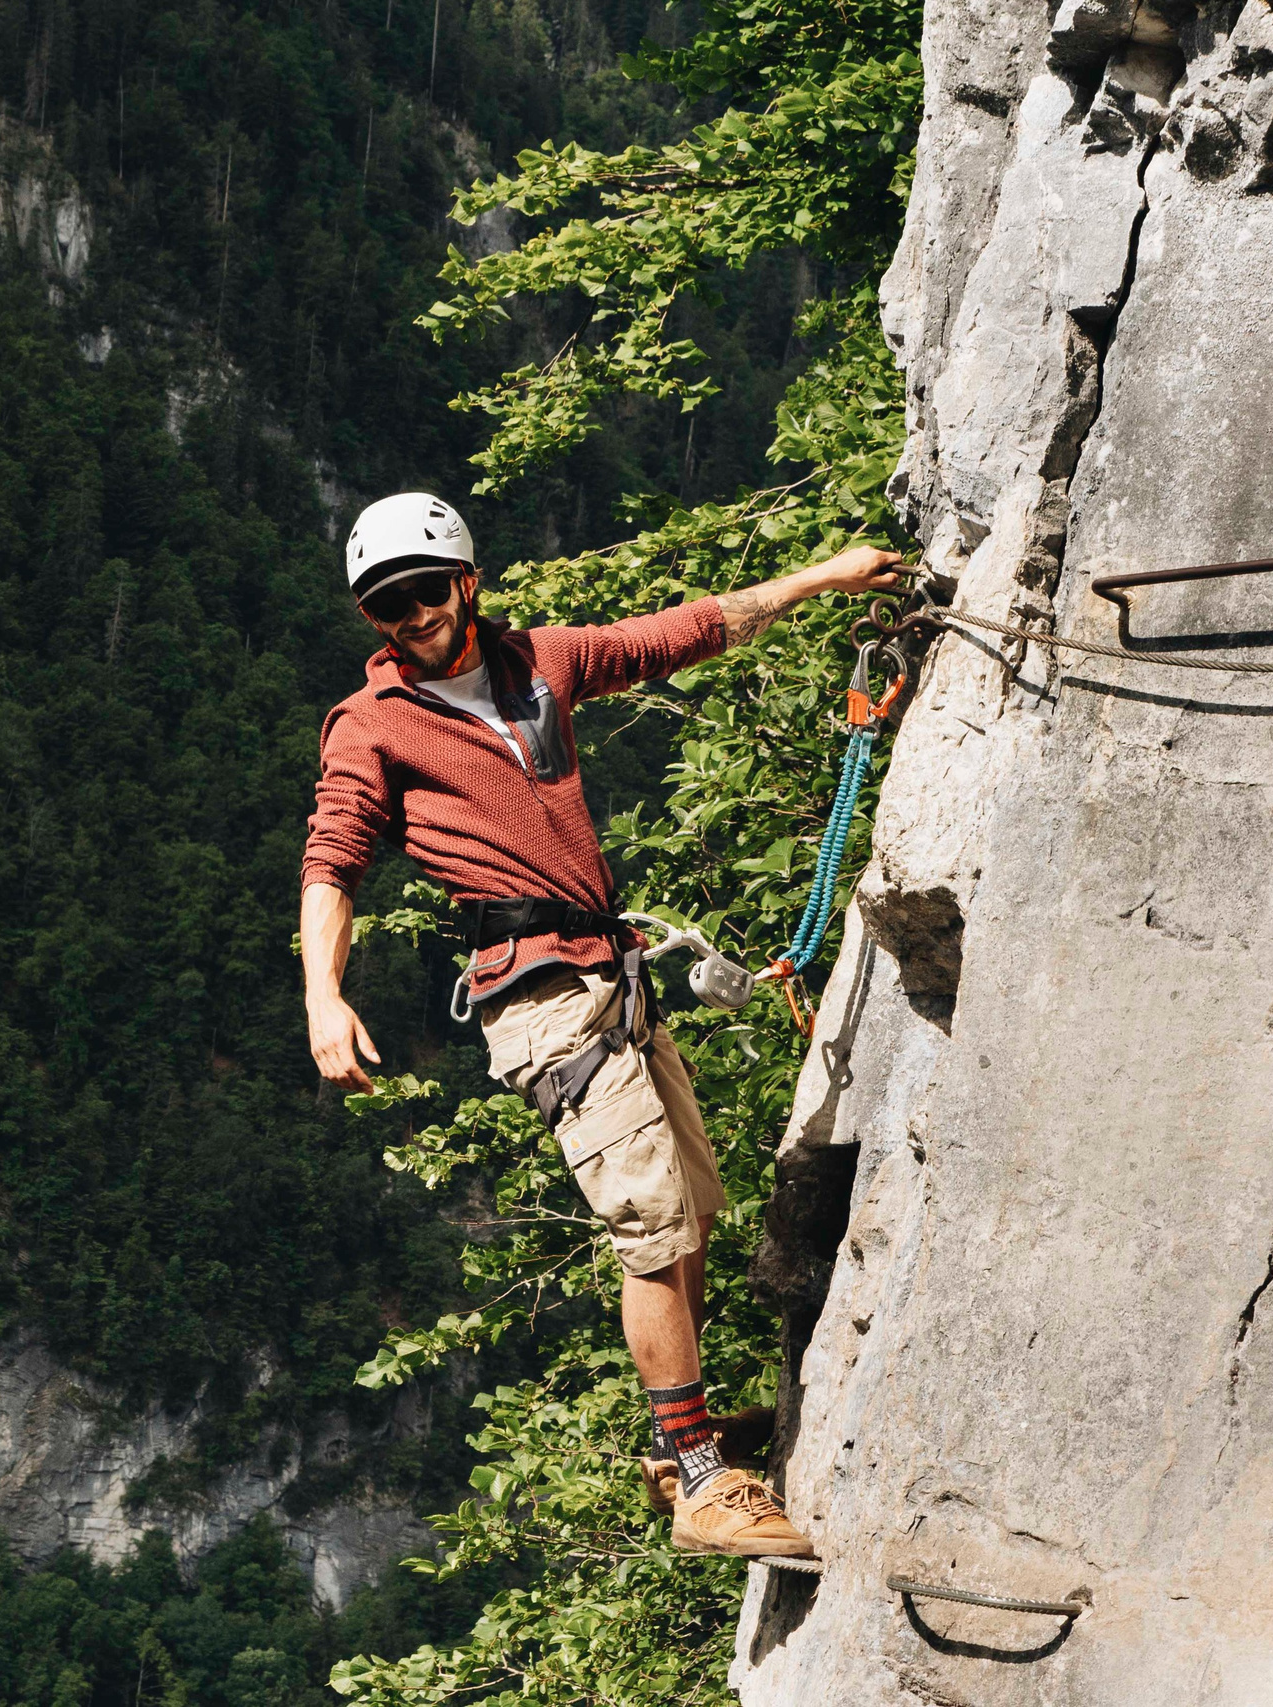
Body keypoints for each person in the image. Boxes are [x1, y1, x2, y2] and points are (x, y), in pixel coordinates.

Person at [299, 490, 901, 1558]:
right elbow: (333, 864)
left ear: (464, 583)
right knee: (651, 1231)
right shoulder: (373, 725)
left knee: (692, 1213)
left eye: (424, 592)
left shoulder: (540, 662)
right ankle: (703, 1479)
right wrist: (323, 997)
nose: (411, 617)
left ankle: (682, 1442)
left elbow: (682, 632)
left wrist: (817, 580)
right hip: (540, 1001)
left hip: (612, 982)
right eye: (386, 606)